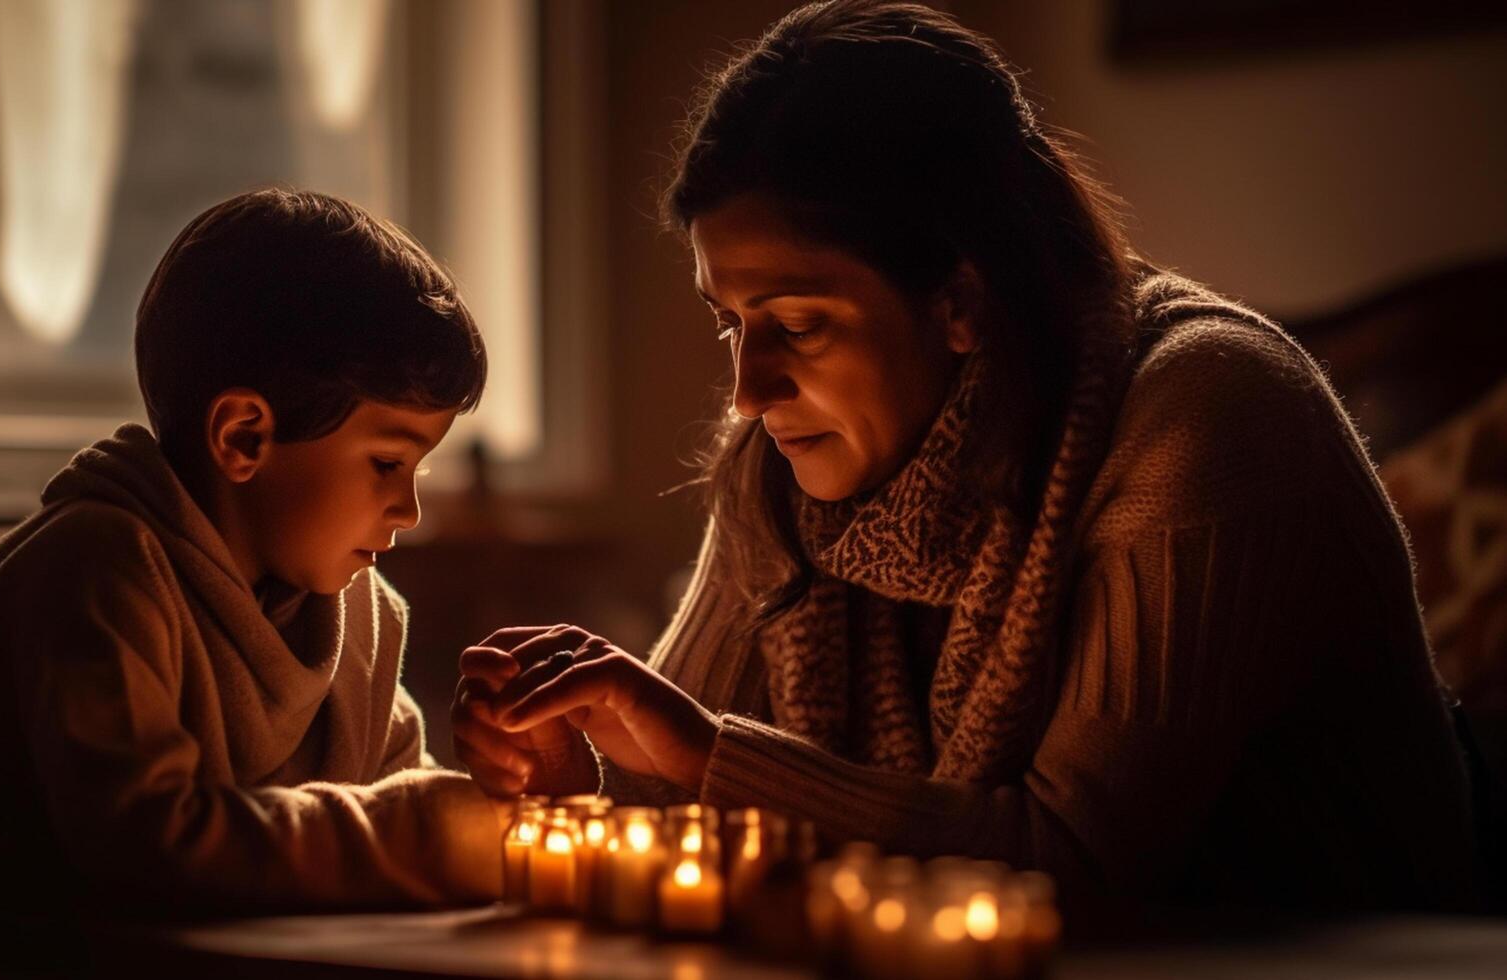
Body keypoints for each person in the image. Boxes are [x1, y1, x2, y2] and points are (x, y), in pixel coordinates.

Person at [452, 0, 1479, 914]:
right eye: (730, 323)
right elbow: (677, 794)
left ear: (961, 300)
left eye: (798, 324)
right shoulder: (784, 456)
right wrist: (568, 758)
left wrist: (704, 750)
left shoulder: (1206, 408)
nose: (748, 390)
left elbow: (1076, 865)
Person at [0, 189, 508, 913]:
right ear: (243, 436)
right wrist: (426, 833)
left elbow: (407, 838)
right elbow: (144, 845)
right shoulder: (95, 570)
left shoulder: (362, 618)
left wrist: (515, 792)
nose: (407, 510)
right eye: (386, 464)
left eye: (418, 469)